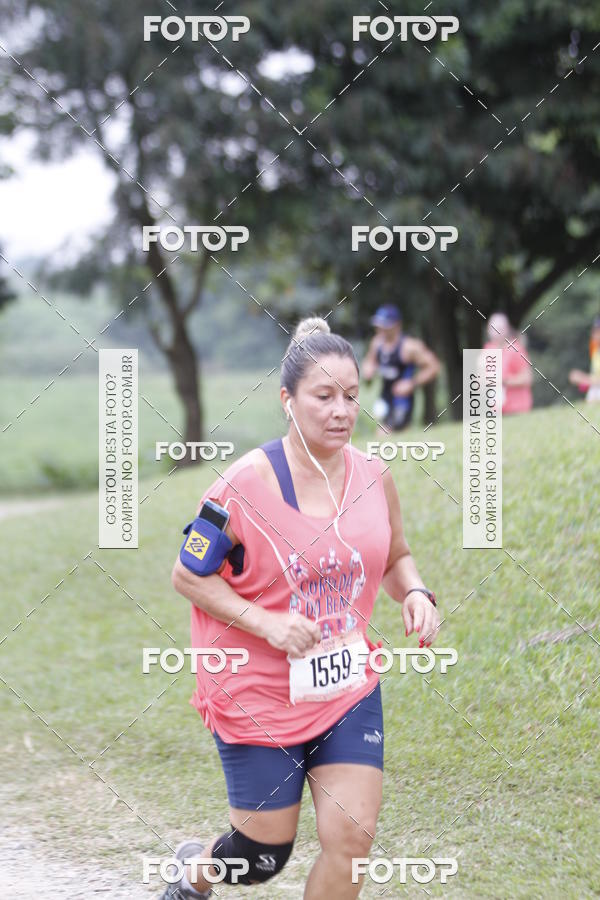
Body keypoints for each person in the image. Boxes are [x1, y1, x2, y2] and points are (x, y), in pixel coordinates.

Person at [163, 317, 440, 899]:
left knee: (353, 839)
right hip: (256, 688)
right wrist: (267, 622)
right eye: (323, 396)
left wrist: (415, 591)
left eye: (350, 396)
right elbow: (188, 574)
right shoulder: (241, 485)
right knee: (264, 856)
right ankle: (196, 871)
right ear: (288, 400)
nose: (341, 411)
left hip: (346, 685)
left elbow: (395, 556)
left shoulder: (374, 475)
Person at [361, 305, 440, 432]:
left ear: (397, 325)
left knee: (386, 434)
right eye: (378, 325)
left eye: (384, 326)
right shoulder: (376, 343)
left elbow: (434, 367)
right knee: (388, 435)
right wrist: (368, 371)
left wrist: (412, 383)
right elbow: (370, 361)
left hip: (402, 401)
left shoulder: (410, 347)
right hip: (385, 398)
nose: (380, 329)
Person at [483, 312, 533, 414]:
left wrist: (504, 381)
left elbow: (527, 378)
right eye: (492, 329)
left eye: (498, 329)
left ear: (506, 330)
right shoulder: (487, 349)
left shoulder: (515, 349)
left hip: (517, 409)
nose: (495, 333)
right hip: (495, 411)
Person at [569, 316, 600, 403]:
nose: (594, 334)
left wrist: (583, 379)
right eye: (594, 331)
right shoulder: (595, 350)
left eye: (597, 331)